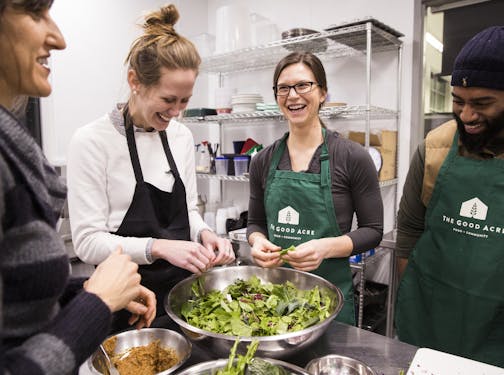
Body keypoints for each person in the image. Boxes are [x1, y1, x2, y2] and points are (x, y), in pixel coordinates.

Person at [0, 1, 156, 373]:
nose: (60, 38)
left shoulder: (14, 148)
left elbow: (17, 303)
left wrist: (83, 294)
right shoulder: (89, 140)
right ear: (134, 83)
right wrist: (96, 303)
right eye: (36, 12)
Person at [66, 4, 235, 331]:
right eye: (168, 99)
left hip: (182, 299)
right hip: (123, 302)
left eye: (184, 101)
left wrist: (204, 233)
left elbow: (188, 209)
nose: (176, 112)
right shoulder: (91, 141)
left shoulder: (181, 136)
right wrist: (157, 248)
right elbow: (87, 242)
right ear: (135, 81)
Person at [246, 51, 384, 325]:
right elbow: (255, 222)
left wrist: (325, 248)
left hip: (329, 302)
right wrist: (258, 242)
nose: (293, 95)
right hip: (274, 301)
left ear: (322, 93)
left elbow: (373, 231)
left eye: (303, 85)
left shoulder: (352, 157)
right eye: (283, 88)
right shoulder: (262, 160)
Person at [395, 26, 504, 367]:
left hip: (494, 331)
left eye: (482, 104)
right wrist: (412, 298)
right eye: (458, 101)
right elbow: (409, 231)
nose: (467, 116)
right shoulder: (435, 147)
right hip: (427, 320)